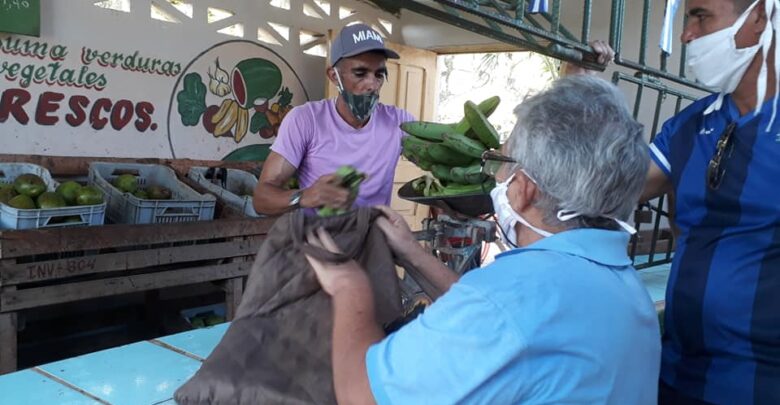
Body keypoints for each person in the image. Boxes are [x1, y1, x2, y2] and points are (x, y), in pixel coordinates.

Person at [304, 75, 661, 404]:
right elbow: (500, 318)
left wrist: (351, 290)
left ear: (524, 189)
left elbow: (361, 395)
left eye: (501, 160)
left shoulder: (508, 299)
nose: (497, 176)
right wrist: (412, 253)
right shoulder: (627, 289)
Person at [642, 1, 780, 404]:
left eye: (701, 16)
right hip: (676, 375)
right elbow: (607, 189)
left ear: (758, 18)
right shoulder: (689, 126)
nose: (687, 34)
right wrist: (577, 81)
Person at [253, 24, 415, 215]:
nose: (372, 84)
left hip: (372, 238)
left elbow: (438, 162)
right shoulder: (305, 120)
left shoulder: (400, 122)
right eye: (360, 73)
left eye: (379, 74)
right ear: (334, 76)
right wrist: (305, 196)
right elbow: (261, 199)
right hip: (318, 240)